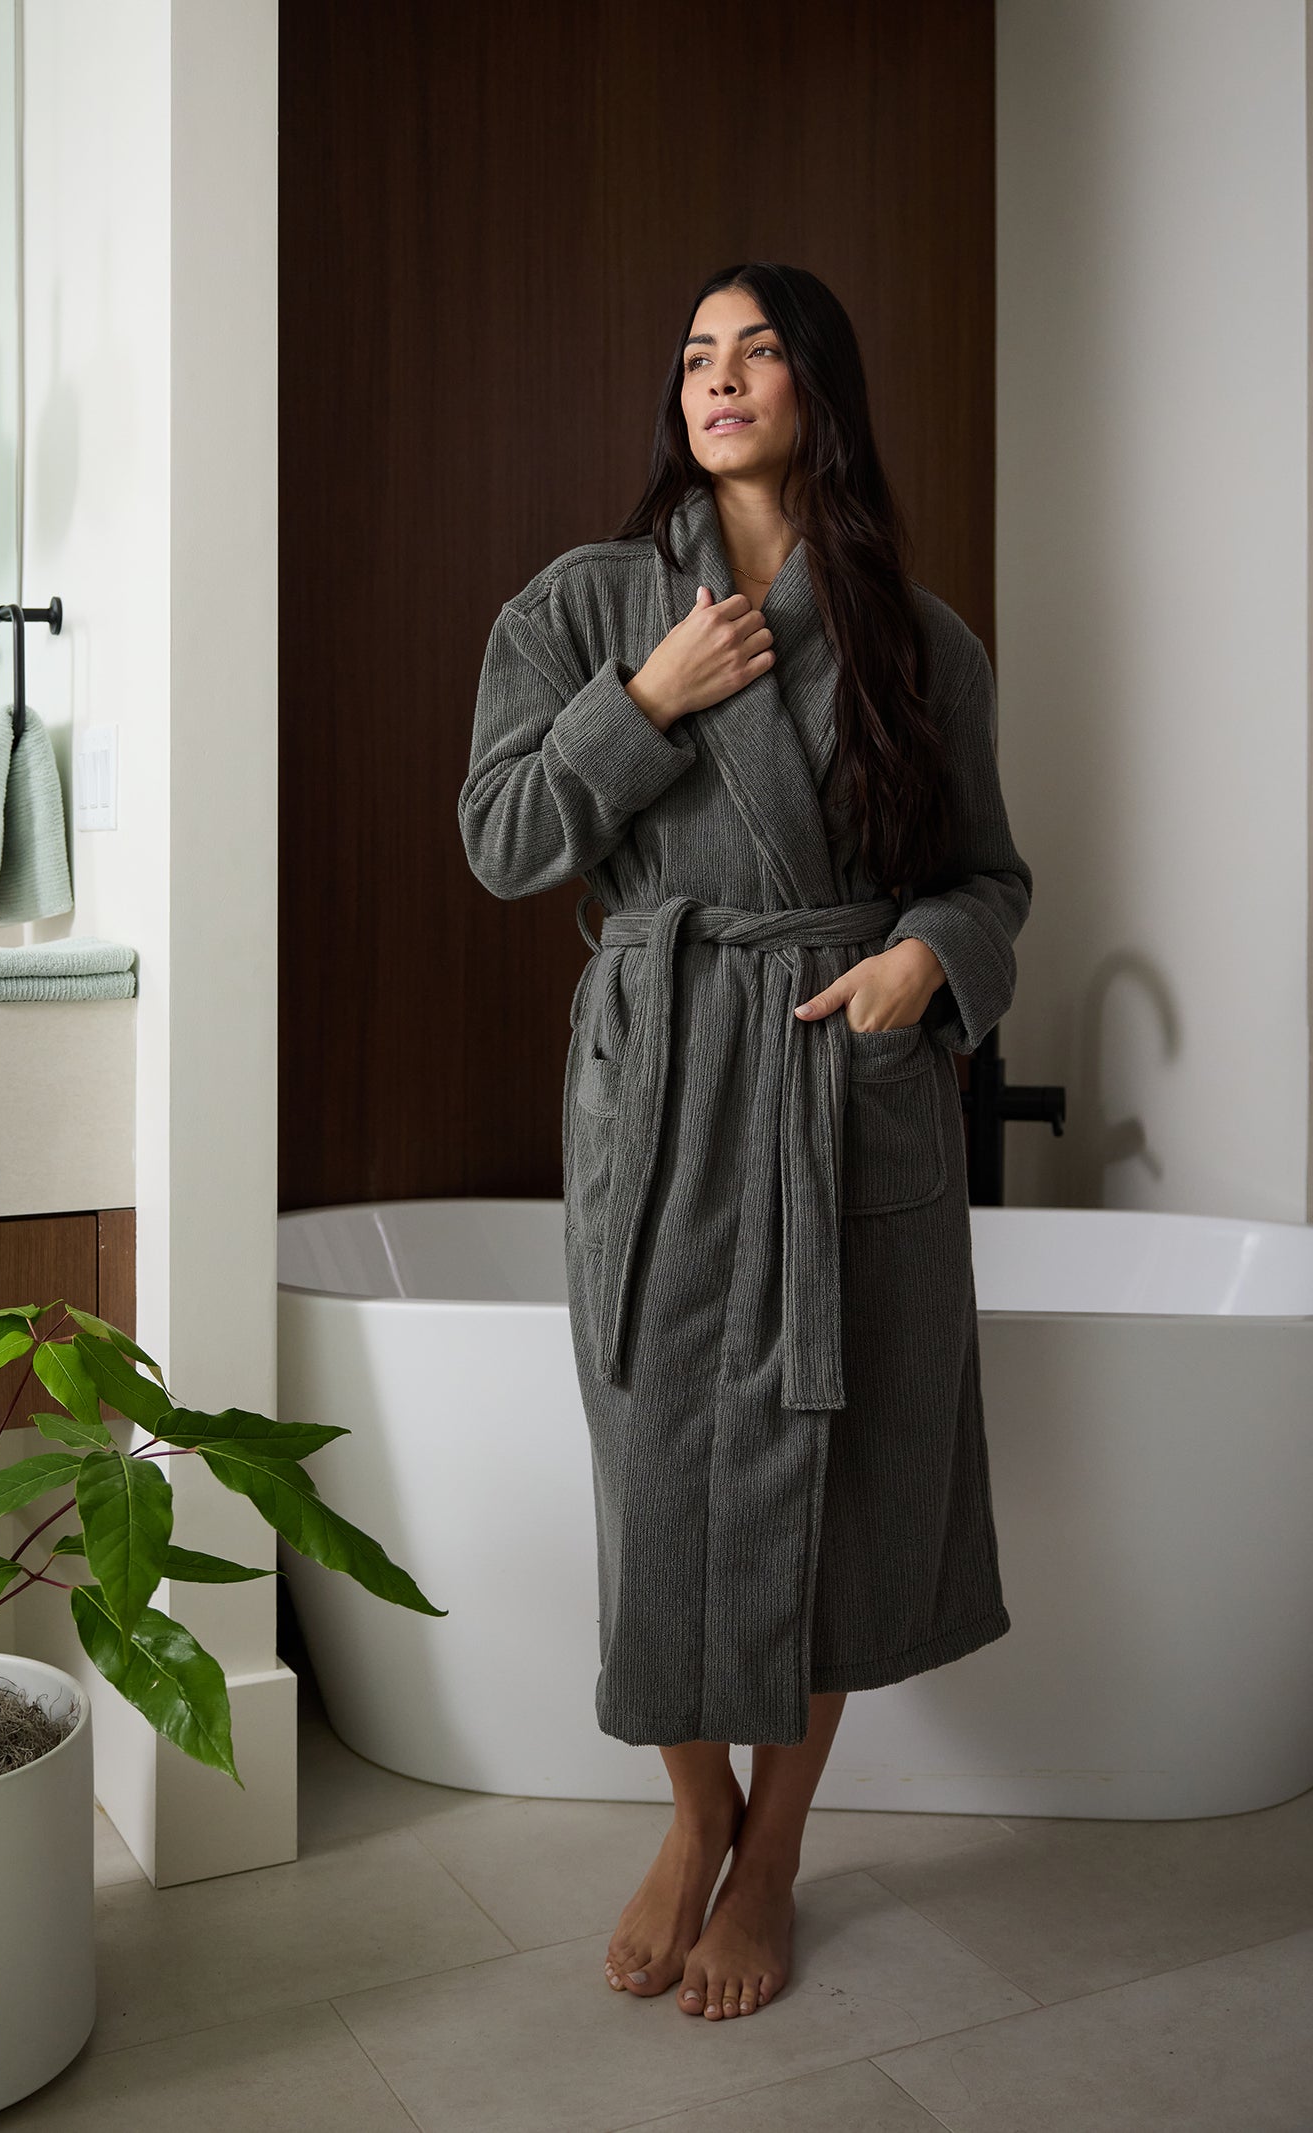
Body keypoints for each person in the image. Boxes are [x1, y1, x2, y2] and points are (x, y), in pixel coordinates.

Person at [457, 262, 1031, 2022]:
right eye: (695, 353)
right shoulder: (587, 605)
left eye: (758, 349)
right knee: (661, 1474)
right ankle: (693, 1804)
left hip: (841, 1074)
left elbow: (987, 878)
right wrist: (646, 697)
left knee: (843, 1476)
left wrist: (930, 963)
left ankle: (775, 1844)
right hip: (667, 1086)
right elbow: (499, 834)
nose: (719, 377)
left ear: (819, 387)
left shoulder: (922, 640)